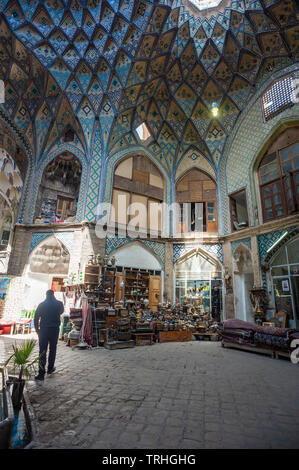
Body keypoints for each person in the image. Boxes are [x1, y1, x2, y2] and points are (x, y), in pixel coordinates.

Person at [34, 289, 64, 381]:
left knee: (42, 351)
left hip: (44, 330)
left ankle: (41, 374)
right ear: (53, 295)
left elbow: (36, 318)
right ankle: (50, 368)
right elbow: (61, 312)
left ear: (46, 295)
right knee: (53, 349)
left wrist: (37, 330)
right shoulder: (59, 304)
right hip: (54, 330)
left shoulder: (41, 305)